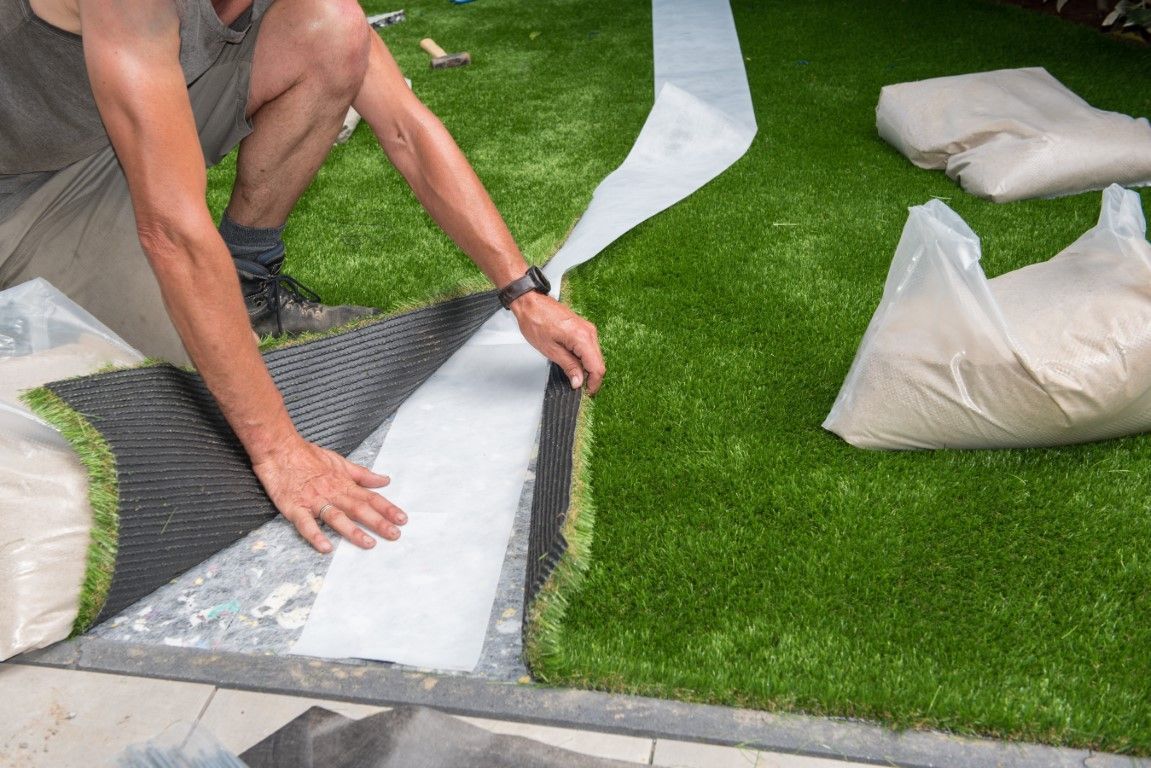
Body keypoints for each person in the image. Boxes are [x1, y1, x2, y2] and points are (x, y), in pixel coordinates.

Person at [0, 0, 605, 552]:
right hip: (28, 188)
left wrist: (522, 292)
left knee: (334, 28)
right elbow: (173, 236)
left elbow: (405, 128)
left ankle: (246, 284)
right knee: (174, 395)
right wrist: (280, 451)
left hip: (136, 122)